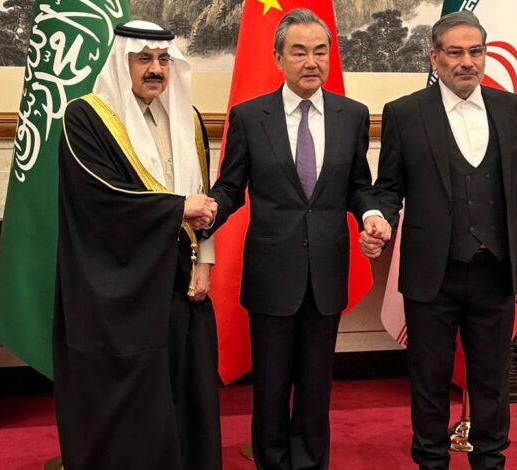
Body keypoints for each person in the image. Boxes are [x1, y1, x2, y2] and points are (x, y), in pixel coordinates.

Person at [203, 8, 389, 470]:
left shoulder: (351, 115)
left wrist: (371, 214)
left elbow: (359, 186)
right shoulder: (250, 117)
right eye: (300, 52)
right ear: (278, 58)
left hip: (326, 272)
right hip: (271, 273)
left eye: (320, 52)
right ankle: (271, 461)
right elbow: (230, 188)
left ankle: (309, 464)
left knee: (315, 387)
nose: (311, 62)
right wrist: (204, 216)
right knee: (269, 389)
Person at [360, 11, 517, 470]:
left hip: (494, 271)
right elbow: (389, 187)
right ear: (434, 58)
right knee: (429, 379)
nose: (467, 62)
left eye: (475, 51)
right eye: (455, 52)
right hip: (431, 274)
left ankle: (490, 460)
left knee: (491, 380)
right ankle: (430, 461)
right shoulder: (404, 113)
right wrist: (378, 219)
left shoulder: (512, 110)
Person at [53, 20, 221, 470]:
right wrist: (177, 209)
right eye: (143, 58)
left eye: (164, 60)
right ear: (120, 62)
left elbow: (202, 195)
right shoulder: (86, 117)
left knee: (184, 387)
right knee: (130, 402)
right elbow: (101, 199)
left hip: (179, 280)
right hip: (116, 289)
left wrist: (204, 260)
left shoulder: (187, 117)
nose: (156, 69)